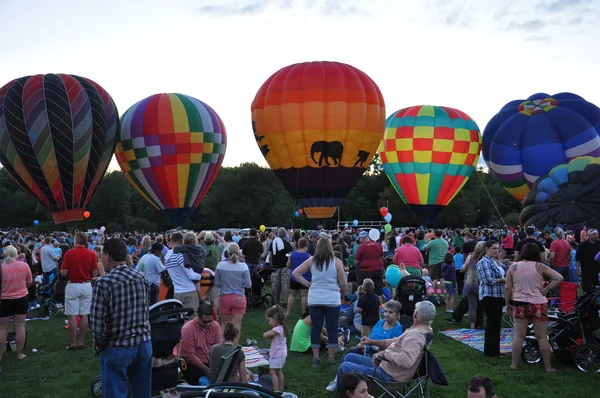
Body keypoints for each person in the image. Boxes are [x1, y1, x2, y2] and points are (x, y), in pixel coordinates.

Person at [91, 238, 152, 398]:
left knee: (115, 393)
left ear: (108, 257)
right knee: (142, 392)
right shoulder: (141, 277)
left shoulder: (103, 283)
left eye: (101, 256)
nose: (100, 259)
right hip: (143, 344)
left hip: (117, 346)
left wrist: (100, 346)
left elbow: (98, 324)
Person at [328, 301, 436, 391]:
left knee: (344, 366)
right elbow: (395, 341)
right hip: (386, 366)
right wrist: (372, 341)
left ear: (416, 314)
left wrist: (384, 354)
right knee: (349, 357)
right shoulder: (422, 331)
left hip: (391, 376)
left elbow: (407, 360)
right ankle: (351, 389)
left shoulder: (416, 336)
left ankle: (345, 393)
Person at [506, 243, 563, 372]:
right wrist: (546, 289)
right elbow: (559, 278)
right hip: (538, 303)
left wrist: (507, 303)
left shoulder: (513, 267)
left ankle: (514, 364)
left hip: (519, 303)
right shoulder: (540, 267)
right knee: (542, 336)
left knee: (519, 336)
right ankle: (548, 366)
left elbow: (508, 287)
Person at [293, 237, 347, 366]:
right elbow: (343, 284)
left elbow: (296, 273)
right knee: (333, 329)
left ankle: (316, 358)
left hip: (315, 299)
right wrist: (341, 293)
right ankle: (331, 358)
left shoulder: (312, 261)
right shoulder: (336, 262)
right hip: (332, 299)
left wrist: (308, 284)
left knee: (316, 328)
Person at [61, 232, 99, 350]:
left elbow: (63, 272)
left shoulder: (69, 253)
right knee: (84, 315)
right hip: (86, 285)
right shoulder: (92, 254)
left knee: (72, 316)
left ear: (76, 241)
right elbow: (94, 273)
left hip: (73, 285)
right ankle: (81, 341)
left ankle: (73, 343)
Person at [0, 245, 32, 373]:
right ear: (16, 254)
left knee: (2, 328)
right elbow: (29, 281)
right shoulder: (23, 266)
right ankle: (19, 353)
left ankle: (0, 356)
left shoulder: (1, 267)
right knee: (20, 326)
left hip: (4, 300)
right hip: (21, 298)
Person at [214, 243, 251, 345]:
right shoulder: (244, 266)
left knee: (224, 324)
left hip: (225, 297)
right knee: (236, 325)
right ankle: (234, 348)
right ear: (239, 252)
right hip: (239, 298)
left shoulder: (220, 265)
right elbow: (248, 285)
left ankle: (223, 345)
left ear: (227, 252)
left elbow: (216, 283)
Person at [179, 302, 223, 385]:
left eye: (210, 321)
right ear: (198, 317)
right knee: (200, 382)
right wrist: (206, 370)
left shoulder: (216, 326)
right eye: (205, 322)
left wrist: (213, 366)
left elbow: (217, 348)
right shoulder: (188, 329)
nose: (208, 324)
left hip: (210, 361)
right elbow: (189, 355)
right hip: (190, 363)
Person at [477, 240, 506, 357]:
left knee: (496, 324)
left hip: (498, 295)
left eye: (497, 248)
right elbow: (488, 280)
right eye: (494, 248)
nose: (496, 251)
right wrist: (502, 280)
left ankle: (495, 350)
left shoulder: (495, 261)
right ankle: (490, 350)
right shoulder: (484, 262)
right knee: (492, 323)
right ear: (487, 248)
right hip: (489, 295)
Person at [165, 232, 202, 317]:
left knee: (181, 319)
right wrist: (200, 275)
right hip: (188, 292)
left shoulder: (167, 256)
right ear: (182, 241)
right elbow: (191, 275)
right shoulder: (180, 256)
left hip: (177, 292)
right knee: (191, 320)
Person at [263, 306, 288, 393]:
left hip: (277, 355)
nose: (269, 322)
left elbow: (265, 335)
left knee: (272, 372)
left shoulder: (277, 329)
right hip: (282, 354)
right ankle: (281, 389)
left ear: (275, 319)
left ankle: (276, 391)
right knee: (279, 371)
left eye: (269, 320)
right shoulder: (282, 328)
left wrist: (268, 333)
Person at [354, 231, 384, 303]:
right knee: (378, 290)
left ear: (362, 238)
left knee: (363, 289)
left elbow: (356, 261)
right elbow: (382, 256)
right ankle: (379, 308)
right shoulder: (378, 245)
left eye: (360, 239)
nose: (359, 240)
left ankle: (362, 306)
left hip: (365, 270)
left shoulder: (361, 247)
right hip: (378, 269)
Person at [287, 237, 311, 317]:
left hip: (294, 278)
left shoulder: (292, 255)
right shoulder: (308, 256)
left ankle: (288, 312)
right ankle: (303, 312)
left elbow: (288, 265)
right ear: (305, 246)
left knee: (292, 295)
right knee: (304, 295)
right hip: (305, 278)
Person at [269, 227, 293, 305]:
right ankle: (284, 301)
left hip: (275, 266)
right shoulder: (287, 243)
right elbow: (290, 255)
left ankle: (275, 300)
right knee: (284, 284)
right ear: (285, 234)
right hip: (285, 266)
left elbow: (270, 256)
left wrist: (271, 264)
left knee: (275, 284)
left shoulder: (273, 242)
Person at [424, 230, 448, 296]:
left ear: (434, 234)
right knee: (441, 278)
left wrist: (426, 242)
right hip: (443, 261)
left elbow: (425, 248)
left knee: (434, 279)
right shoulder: (445, 242)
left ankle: (434, 294)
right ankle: (441, 294)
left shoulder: (432, 242)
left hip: (434, 261)